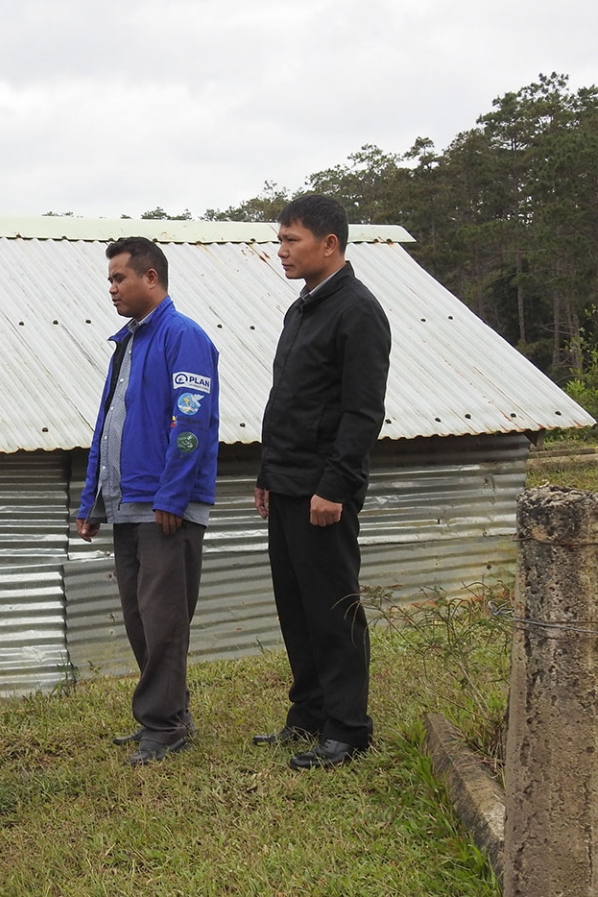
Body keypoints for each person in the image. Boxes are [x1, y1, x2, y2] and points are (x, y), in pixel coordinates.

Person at [252, 194, 391, 770]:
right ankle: (308, 714)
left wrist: (335, 487)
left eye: (291, 240)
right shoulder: (302, 308)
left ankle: (347, 728)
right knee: (296, 606)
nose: (280, 251)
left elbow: (362, 413)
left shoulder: (357, 311)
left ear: (329, 244)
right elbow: (286, 400)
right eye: (280, 240)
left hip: (322, 491)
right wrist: (266, 474)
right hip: (286, 483)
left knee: (333, 609)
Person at [76, 237, 220, 766]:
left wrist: (174, 494)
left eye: (120, 278)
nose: (111, 288)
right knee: (140, 617)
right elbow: (108, 427)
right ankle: (169, 715)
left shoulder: (183, 338)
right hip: (127, 502)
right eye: (110, 279)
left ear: (151, 278)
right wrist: (91, 498)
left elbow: (192, 423)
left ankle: (163, 726)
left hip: (164, 506)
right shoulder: (128, 343)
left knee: (164, 619)